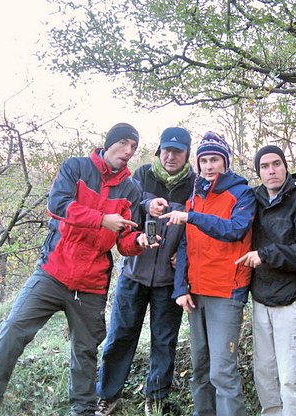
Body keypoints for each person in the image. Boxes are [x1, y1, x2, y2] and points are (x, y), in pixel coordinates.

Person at [0, 123, 162, 416]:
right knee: (13, 329)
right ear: (109, 142)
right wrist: (101, 219)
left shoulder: (130, 189)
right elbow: (58, 205)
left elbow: (123, 241)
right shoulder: (76, 168)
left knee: (85, 350)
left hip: (92, 282)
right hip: (53, 271)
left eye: (134, 146)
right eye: (124, 143)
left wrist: (140, 240)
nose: (129, 151)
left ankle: (82, 410)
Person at [95, 127, 195, 416]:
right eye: (166, 149)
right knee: (121, 336)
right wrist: (146, 204)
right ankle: (108, 395)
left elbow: (198, 224)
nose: (170, 155)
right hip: (133, 274)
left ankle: (157, 397)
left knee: (164, 341)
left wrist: (185, 257)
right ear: (159, 150)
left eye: (177, 151)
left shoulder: (195, 184)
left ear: (187, 153)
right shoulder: (140, 176)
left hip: (169, 279)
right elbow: (124, 210)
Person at [163, 131, 255, 416]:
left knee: (223, 373)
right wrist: (180, 289)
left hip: (227, 292)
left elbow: (234, 230)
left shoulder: (242, 194)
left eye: (215, 159)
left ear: (225, 163)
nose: (208, 166)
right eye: (203, 160)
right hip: (196, 293)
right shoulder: (194, 198)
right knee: (200, 369)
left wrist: (192, 217)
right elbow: (185, 244)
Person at [236, 145, 296, 416]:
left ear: (285, 167)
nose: (271, 170)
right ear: (258, 172)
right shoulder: (254, 201)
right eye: (264, 166)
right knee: (265, 378)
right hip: (262, 301)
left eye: (276, 164)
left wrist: (265, 255)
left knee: (291, 379)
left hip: (294, 302)